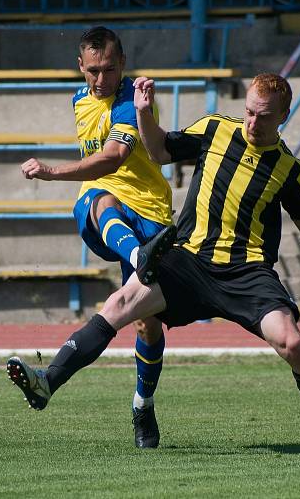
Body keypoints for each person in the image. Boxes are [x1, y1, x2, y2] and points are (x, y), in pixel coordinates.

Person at [7, 72, 300, 455]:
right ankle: (47, 382)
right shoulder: (215, 129)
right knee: (120, 304)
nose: (253, 123)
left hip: (247, 272)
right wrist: (143, 113)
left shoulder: (290, 169)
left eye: (264, 116)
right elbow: (159, 151)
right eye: (249, 112)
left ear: (284, 115)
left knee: (292, 343)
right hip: (189, 259)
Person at [12, 26, 177, 449]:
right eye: (92, 71)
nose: (100, 79)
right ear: (80, 68)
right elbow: (103, 174)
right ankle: (140, 255)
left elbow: (114, 156)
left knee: (146, 324)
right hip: (115, 216)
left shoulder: (131, 98)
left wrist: (52, 171)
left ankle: (143, 405)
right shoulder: (79, 100)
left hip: (151, 212)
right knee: (98, 199)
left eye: (107, 69)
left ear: (122, 64)